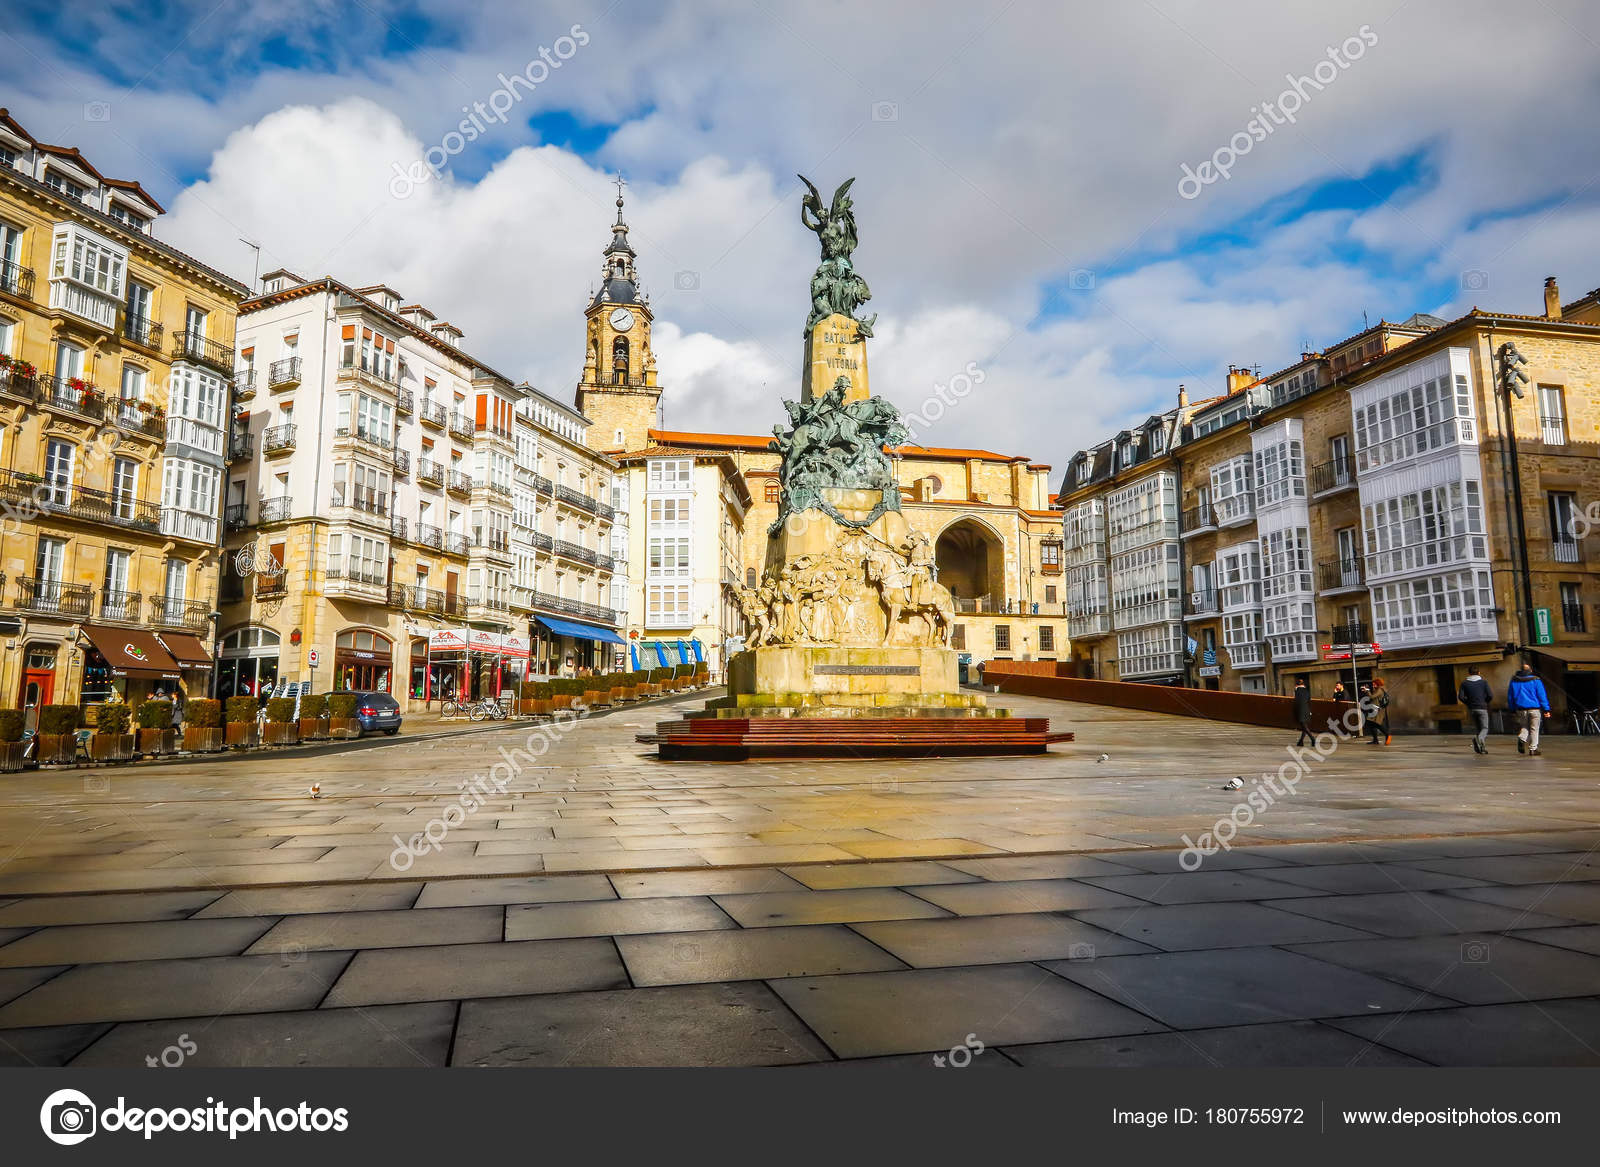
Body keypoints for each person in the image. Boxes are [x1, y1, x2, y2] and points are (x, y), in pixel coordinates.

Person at [1507, 662, 1552, 755]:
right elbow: (1541, 695)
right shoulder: (1536, 680)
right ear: (1530, 671)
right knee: (1534, 728)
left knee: (1524, 726)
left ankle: (1522, 738)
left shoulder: (1514, 681)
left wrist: (1512, 708)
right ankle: (1533, 749)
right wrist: (1546, 709)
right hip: (1534, 709)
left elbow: (1510, 696)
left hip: (1520, 709)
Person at [1458, 665, 1493, 754]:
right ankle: (1479, 739)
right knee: (1485, 728)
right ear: (1479, 673)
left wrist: (1468, 703)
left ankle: (1481, 748)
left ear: (1469, 673)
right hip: (1482, 707)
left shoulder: (1464, 683)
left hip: (1472, 709)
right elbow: (1490, 695)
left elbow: (1461, 697)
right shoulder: (1483, 682)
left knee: (1479, 728)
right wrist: (1485, 702)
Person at [1362, 679, 1391, 745]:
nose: (1373, 685)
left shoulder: (1380, 690)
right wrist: (1367, 691)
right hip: (1374, 708)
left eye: (1374, 684)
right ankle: (1375, 740)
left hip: (1377, 710)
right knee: (1371, 723)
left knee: (1377, 723)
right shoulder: (1378, 689)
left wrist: (1368, 691)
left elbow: (1372, 697)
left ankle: (1387, 735)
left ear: (1378, 684)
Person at [1292, 678, 1314, 746]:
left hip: (1300, 711)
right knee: (1304, 727)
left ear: (1296, 685)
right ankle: (1301, 742)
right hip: (1307, 710)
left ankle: (1313, 739)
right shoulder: (1307, 691)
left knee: (1304, 726)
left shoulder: (1297, 691)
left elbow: (1297, 702)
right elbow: (1309, 701)